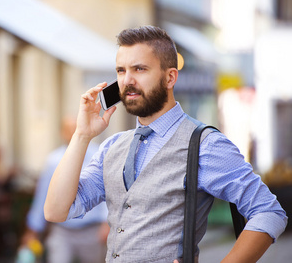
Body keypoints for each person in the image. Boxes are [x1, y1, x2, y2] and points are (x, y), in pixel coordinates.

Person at [44, 26, 288, 263]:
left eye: (139, 69)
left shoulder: (205, 145)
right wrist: (82, 135)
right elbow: (56, 211)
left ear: (170, 77)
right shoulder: (112, 147)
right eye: (120, 71)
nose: (127, 80)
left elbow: (268, 212)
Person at [21, 116, 109, 263]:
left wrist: (106, 223)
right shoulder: (53, 160)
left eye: (75, 128)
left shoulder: (98, 154)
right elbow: (43, 196)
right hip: (62, 231)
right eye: (68, 130)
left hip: (91, 231)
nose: (72, 133)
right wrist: (33, 230)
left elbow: (106, 190)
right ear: (62, 133)